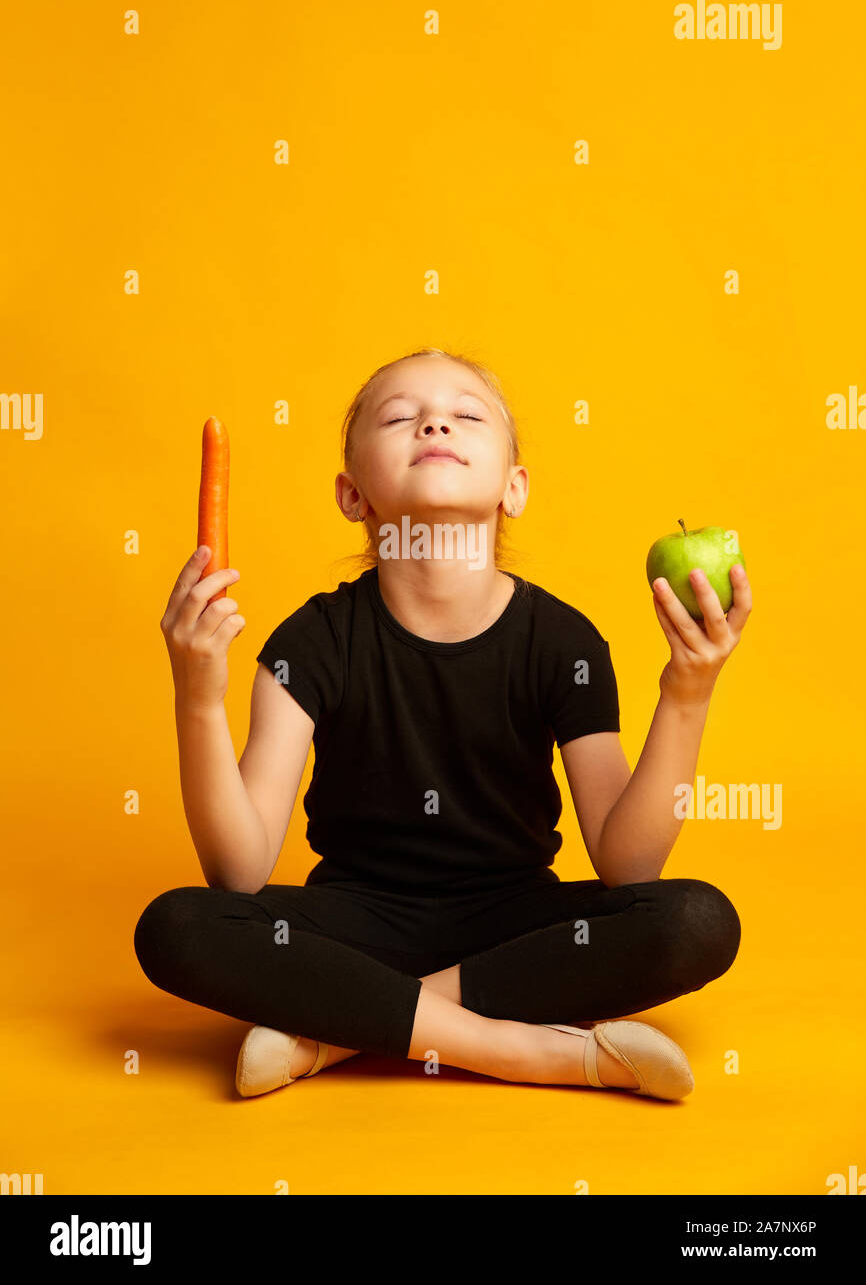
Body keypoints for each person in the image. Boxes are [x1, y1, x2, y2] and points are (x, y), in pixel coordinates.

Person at [135, 347, 749, 1101]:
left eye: (466, 414)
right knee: (177, 926)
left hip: (516, 929)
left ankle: (337, 1032)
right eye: (399, 417)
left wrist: (687, 692)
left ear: (514, 488)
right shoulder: (308, 643)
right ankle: (532, 1053)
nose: (434, 422)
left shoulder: (564, 643)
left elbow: (628, 865)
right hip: (351, 923)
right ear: (352, 494)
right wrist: (196, 693)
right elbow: (238, 872)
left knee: (696, 919)